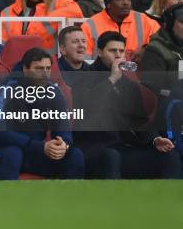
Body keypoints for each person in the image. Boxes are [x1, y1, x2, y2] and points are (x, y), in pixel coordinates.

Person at [74, 31, 181, 179]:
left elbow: (140, 121)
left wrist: (156, 139)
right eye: (112, 51)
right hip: (95, 148)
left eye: (121, 51)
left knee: (169, 156)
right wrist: (112, 79)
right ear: (99, 52)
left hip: (123, 148)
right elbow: (88, 108)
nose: (118, 55)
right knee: (111, 156)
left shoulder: (129, 85)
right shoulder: (84, 77)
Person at [0, 47, 85, 180]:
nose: (45, 73)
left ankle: (70, 199)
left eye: (48, 68)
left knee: (74, 154)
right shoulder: (6, 89)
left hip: (32, 152)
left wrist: (64, 145)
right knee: (14, 153)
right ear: (25, 69)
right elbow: (0, 133)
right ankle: (5, 199)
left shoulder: (53, 92)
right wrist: (40, 146)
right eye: (38, 69)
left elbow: (63, 129)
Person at [0, 0, 84, 54]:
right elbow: (2, 47)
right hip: (17, 64)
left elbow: (76, 11)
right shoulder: (7, 12)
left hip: (50, 64)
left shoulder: (58, 2)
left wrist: (37, 29)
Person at [81, 0, 160, 58]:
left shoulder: (144, 20)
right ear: (108, 4)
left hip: (140, 69)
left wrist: (145, 50)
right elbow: (85, 60)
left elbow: (161, 46)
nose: (126, 2)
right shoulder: (90, 25)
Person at [139, 3, 183, 97]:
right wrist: (174, 94)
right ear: (170, 25)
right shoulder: (156, 50)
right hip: (169, 105)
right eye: (182, 22)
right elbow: (151, 86)